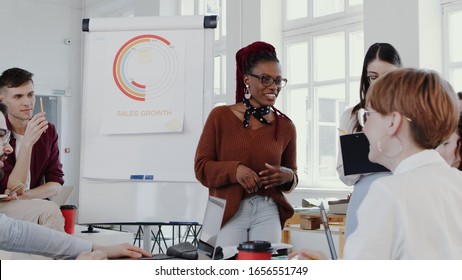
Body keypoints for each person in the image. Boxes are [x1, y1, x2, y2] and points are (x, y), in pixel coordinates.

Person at [294, 68, 462, 259]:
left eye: (369, 115)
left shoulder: (388, 192)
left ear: (393, 122)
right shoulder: (457, 182)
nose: (364, 127)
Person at [194, 41, 297, 247]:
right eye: (265, 79)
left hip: (268, 210)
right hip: (228, 210)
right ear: (247, 80)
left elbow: (293, 177)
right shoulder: (220, 116)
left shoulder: (285, 126)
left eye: (278, 80)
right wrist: (235, 170)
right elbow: (201, 168)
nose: (273, 87)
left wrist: (287, 175)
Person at [336, 43, 402, 237]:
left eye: (387, 76)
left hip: (401, 194)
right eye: (373, 77)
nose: (379, 83)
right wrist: (368, 161)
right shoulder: (351, 116)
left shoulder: (412, 114)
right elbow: (344, 173)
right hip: (364, 195)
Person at [0, 68, 64, 231]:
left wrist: (26, 197)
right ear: (2, 100)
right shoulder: (2, 133)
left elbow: (55, 185)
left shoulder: (48, 131)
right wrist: (27, 142)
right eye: (18, 96)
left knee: (48, 210)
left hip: (28, 203)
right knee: (48, 211)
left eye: (30, 95)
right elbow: (15, 186)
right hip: (3, 205)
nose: (27, 102)